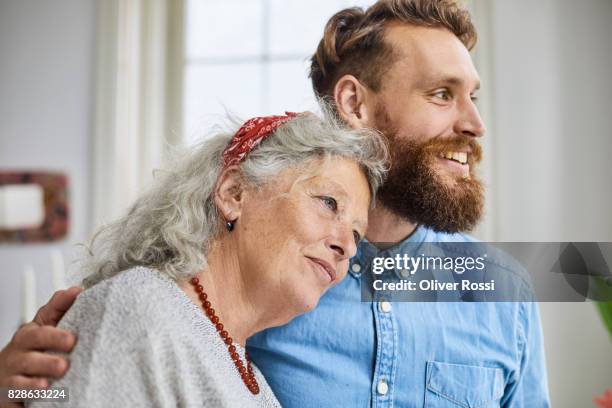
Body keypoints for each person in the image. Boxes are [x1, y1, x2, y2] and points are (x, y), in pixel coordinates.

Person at [0, 0, 551, 407]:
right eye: (441, 93)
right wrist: (22, 395)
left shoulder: (503, 289)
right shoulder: (270, 277)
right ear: (354, 102)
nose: (474, 124)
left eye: (472, 97)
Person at [14, 112, 387, 407]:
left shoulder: (251, 378)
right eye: (328, 203)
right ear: (234, 192)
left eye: (356, 234)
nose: (348, 247)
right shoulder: (140, 308)